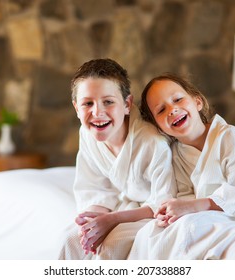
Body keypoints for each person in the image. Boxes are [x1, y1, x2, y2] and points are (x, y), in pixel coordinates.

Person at [128, 73, 235, 259]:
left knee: (189, 227)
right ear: (158, 127)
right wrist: (173, 211)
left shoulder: (227, 137)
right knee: (150, 233)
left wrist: (193, 206)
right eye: (161, 110)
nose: (172, 110)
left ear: (198, 102)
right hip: (208, 213)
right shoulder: (177, 154)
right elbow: (184, 195)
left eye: (178, 99)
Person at [58, 59, 177, 260]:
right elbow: (94, 188)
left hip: (149, 214)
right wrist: (92, 223)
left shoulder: (151, 142)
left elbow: (163, 202)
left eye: (108, 102)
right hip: (121, 207)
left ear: (127, 104)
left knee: (112, 246)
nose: (97, 113)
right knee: (70, 239)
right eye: (87, 103)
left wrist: (111, 220)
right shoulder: (87, 134)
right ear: (76, 108)